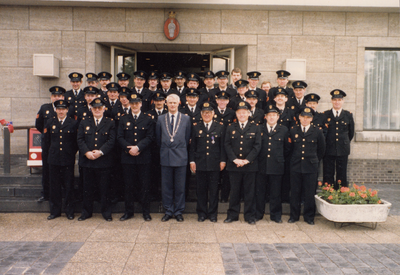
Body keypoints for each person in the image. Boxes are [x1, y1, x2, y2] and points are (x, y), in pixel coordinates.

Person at [118, 93, 155, 221]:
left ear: (140, 104)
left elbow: (150, 137)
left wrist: (138, 147)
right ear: (129, 104)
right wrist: (129, 149)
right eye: (132, 103)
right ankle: (129, 212)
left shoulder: (148, 119)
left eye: (136, 103)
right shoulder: (123, 119)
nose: (134, 105)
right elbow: (120, 137)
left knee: (145, 185)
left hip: (143, 157)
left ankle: (146, 212)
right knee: (128, 185)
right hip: (128, 158)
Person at [77, 98, 116, 222]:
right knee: (87, 189)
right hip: (87, 161)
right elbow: (80, 139)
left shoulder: (110, 122)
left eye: (100, 108)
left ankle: (106, 212)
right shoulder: (84, 121)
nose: (97, 110)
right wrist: (86, 152)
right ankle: (86, 212)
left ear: (104, 109)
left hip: (103, 161)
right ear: (91, 109)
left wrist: (100, 152)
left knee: (105, 189)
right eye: (95, 108)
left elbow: (111, 140)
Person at [224, 101, 261, 225]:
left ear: (248, 114)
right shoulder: (230, 127)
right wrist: (235, 159)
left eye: (244, 112)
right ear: (236, 114)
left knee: (249, 192)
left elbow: (257, 146)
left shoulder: (255, 127)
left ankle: (250, 216)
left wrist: (246, 160)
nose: (242, 115)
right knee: (234, 192)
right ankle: (232, 215)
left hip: (250, 166)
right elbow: (227, 145)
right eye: (239, 113)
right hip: (234, 165)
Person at [156, 94, 191, 222]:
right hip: (166, 156)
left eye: (174, 103)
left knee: (180, 186)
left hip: (181, 156)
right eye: (170, 103)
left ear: (178, 103)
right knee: (166, 186)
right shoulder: (161, 119)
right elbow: (158, 138)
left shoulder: (186, 119)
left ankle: (179, 211)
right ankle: (168, 210)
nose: (172, 105)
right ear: (166, 103)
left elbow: (187, 138)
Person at [288, 106, 325, 225]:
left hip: (310, 167)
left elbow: (321, 149)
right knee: (295, 192)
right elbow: (289, 149)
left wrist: (314, 160)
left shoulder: (317, 131)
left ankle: (309, 217)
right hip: (296, 166)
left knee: (309, 193)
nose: (305, 119)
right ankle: (294, 216)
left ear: (311, 118)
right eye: (303, 117)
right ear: (299, 117)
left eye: (307, 117)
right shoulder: (293, 130)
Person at [189, 102, 226, 222]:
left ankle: (213, 214)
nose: (207, 114)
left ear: (213, 114)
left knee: (214, 190)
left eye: (209, 112)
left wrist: (222, 160)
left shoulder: (220, 127)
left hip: (215, 163)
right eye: (204, 112)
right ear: (201, 114)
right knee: (201, 190)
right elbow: (192, 147)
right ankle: (202, 213)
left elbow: (222, 147)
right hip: (200, 163)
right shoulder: (196, 127)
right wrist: (192, 161)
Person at [44, 99, 79, 220]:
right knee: (54, 186)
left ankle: (69, 211)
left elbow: (75, 142)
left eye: (63, 109)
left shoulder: (73, 123)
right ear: (55, 110)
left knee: (69, 186)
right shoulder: (50, 122)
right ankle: (55, 211)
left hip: (67, 158)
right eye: (58, 109)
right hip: (53, 158)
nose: (61, 111)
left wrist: (70, 153)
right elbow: (47, 141)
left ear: (67, 110)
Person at [256, 105, 290, 223]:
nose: (271, 117)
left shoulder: (284, 130)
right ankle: (258, 214)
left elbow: (287, 148)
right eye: (269, 115)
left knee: (276, 192)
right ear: (265, 117)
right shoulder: (259, 129)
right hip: (261, 165)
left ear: (278, 117)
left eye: (274, 115)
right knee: (260, 191)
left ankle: (276, 215)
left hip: (277, 165)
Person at [35, 86, 66, 203]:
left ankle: (61, 193)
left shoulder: (67, 108)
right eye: (54, 96)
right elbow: (39, 125)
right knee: (47, 170)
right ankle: (45, 193)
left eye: (59, 96)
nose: (56, 98)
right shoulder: (45, 108)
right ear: (51, 97)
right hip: (49, 145)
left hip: (63, 144)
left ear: (63, 97)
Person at [323, 89, 354, 189]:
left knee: (342, 172)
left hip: (342, 149)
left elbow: (351, 133)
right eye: (335, 100)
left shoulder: (348, 115)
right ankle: (329, 192)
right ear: (331, 101)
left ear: (343, 101)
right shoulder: (325, 115)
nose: (337, 102)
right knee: (328, 172)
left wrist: (343, 142)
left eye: (339, 100)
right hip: (329, 148)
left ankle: (342, 192)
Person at [213, 91, 236, 203]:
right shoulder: (212, 112)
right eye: (220, 100)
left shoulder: (232, 113)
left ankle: (224, 197)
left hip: (228, 145)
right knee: (215, 172)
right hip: (214, 145)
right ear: (216, 101)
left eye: (224, 100)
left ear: (228, 101)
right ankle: (214, 196)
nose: (222, 102)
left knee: (226, 174)